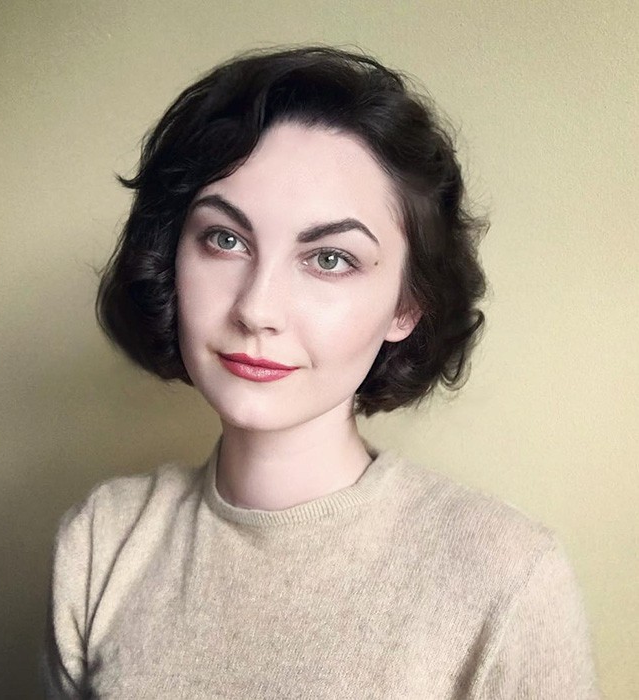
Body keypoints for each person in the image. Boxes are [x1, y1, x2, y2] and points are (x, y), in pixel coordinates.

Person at [42, 46, 600, 698]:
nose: (257, 309)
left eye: (330, 258)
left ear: (407, 305)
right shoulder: (101, 542)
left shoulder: (508, 580)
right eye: (225, 239)